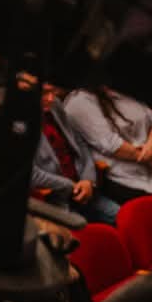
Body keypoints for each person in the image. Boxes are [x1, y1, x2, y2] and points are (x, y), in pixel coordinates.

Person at [57, 86, 152, 204]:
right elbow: (112, 145)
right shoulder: (77, 101)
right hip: (126, 178)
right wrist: (150, 157)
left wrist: (151, 146)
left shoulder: (119, 89)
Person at [32, 80, 120, 225]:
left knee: (125, 218)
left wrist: (88, 179)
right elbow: (32, 175)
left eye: (52, 91)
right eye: (44, 93)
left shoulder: (55, 105)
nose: (51, 98)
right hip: (56, 200)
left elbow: (79, 143)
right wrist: (72, 186)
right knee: (85, 234)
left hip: (86, 189)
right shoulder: (18, 124)